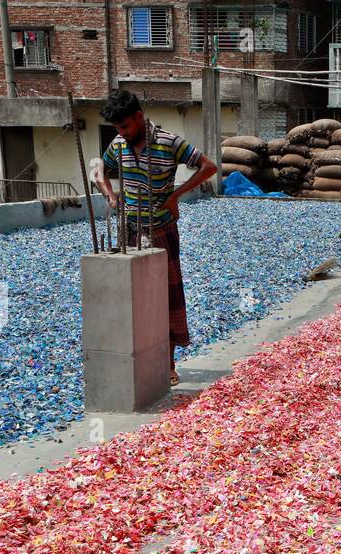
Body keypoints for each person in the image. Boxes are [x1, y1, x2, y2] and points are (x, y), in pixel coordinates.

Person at [97, 89, 217, 385]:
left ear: (139, 117)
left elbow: (209, 166)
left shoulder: (169, 142)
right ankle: (137, 358)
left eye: (125, 126)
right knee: (135, 296)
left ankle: (169, 363)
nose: (121, 133)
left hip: (161, 228)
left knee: (167, 295)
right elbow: (101, 170)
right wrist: (111, 196)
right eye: (117, 128)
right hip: (130, 229)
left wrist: (176, 195)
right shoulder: (119, 144)